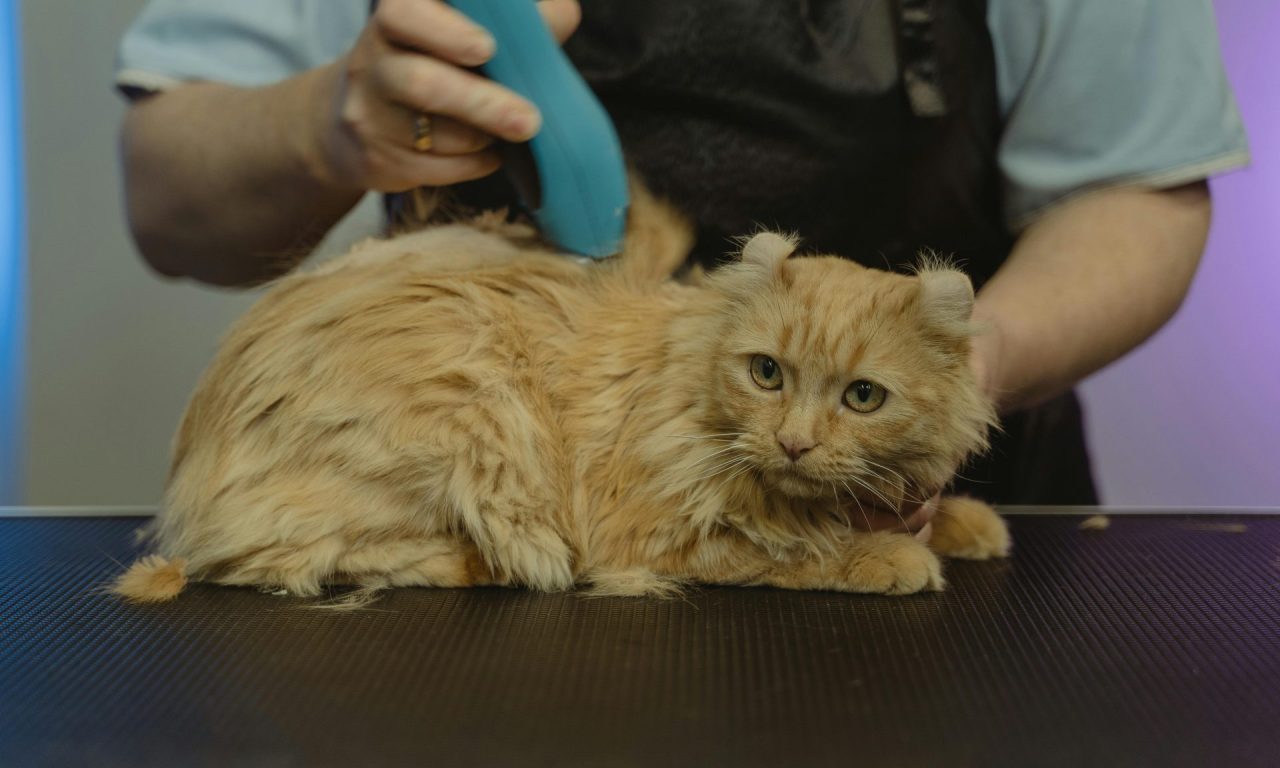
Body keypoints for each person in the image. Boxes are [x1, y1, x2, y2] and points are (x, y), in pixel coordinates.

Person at [114, 0, 1248, 533]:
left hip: (943, 529)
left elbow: (1133, 194)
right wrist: (329, 123)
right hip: (479, 511)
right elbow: (168, 199)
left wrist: (952, 380)